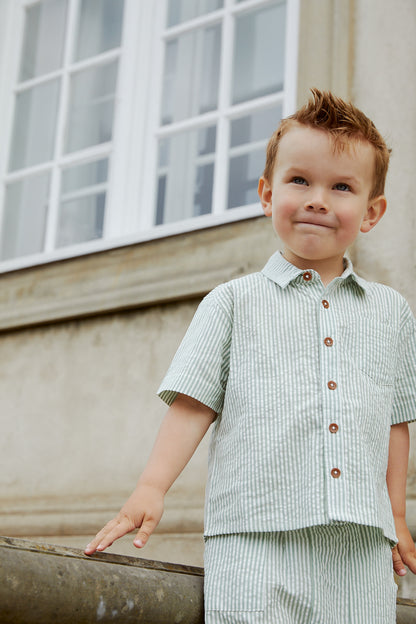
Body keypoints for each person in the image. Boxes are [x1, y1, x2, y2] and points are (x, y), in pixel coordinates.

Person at [85, 89, 416, 623]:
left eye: (341, 187)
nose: (317, 199)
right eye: (299, 180)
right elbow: (194, 403)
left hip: (360, 545)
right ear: (267, 193)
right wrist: (151, 487)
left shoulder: (392, 312)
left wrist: (397, 517)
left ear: (372, 212)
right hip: (253, 535)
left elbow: (396, 421)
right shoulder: (232, 301)